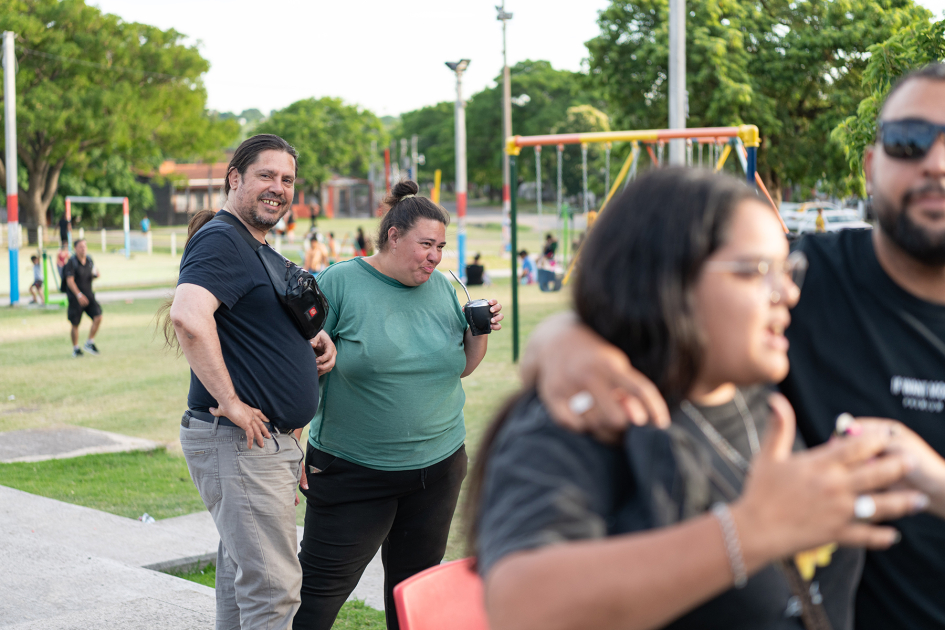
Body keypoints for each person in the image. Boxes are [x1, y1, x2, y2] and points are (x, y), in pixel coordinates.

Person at [522, 63, 945, 629]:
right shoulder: (800, 281)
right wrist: (568, 340)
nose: (936, 164)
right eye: (910, 141)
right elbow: (655, 292)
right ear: (872, 165)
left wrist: (932, 479)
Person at [294, 180, 503, 630]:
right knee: (315, 597)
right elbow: (298, 365)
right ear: (393, 236)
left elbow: (460, 368)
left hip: (439, 469)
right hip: (354, 472)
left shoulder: (445, 288)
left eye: (440, 246)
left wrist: (478, 332)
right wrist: (294, 447)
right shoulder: (340, 282)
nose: (435, 256)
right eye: (425, 244)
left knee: (416, 598)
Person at [167, 134, 337, 630]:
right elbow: (189, 317)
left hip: (264, 447)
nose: (278, 188)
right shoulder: (223, 237)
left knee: (244, 584)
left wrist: (315, 339)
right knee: (273, 591)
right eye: (266, 175)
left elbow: (256, 320)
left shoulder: (254, 245)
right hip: (240, 440)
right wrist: (233, 403)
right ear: (234, 178)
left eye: (287, 179)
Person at [62, 239, 102, 357]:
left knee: (98, 317)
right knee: (75, 324)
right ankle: (76, 349)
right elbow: (70, 281)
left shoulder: (89, 260)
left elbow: (90, 275)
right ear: (75, 249)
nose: (83, 248)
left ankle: (89, 342)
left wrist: (96, 276)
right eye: (80, 246)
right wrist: (79, 295)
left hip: (89, 295)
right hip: (76, 298)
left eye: (85, 246)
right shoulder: (71, 262)